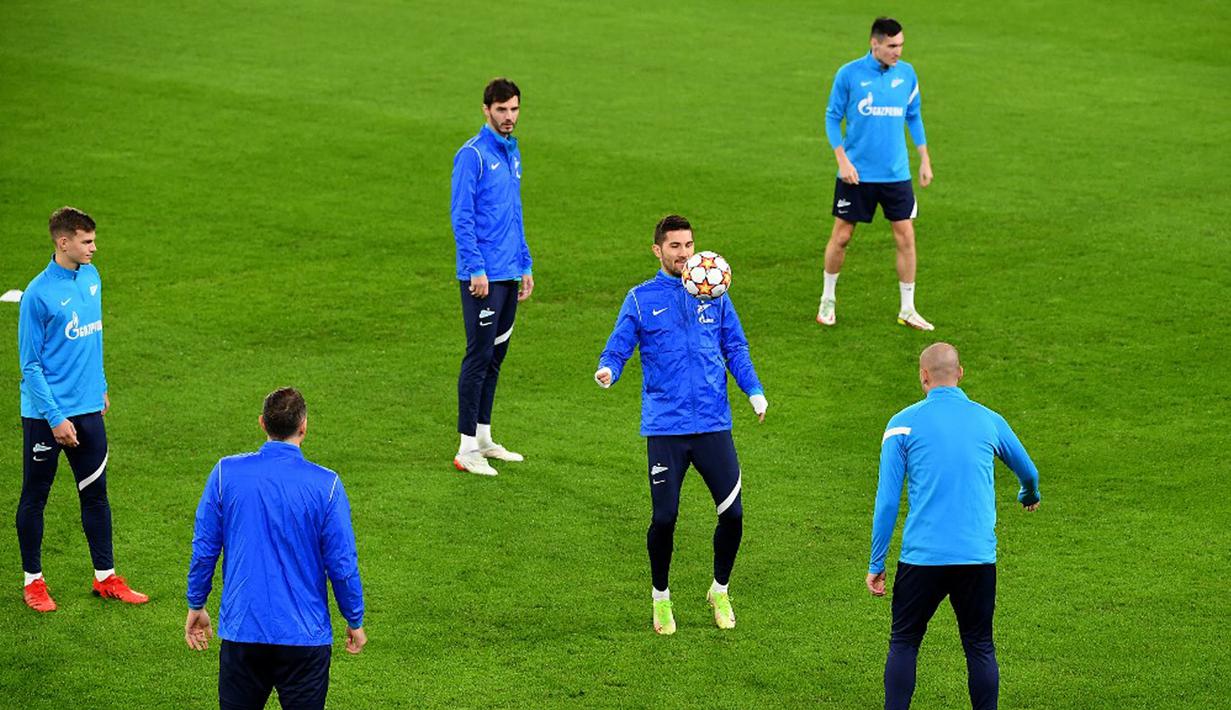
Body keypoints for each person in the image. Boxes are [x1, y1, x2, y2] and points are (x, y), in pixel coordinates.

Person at [594, 214, 767, 635]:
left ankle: (720, 589)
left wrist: (754, 390)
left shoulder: (716, 293)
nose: (684, 253)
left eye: (688, 245)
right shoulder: (640, 298)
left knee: (734, 514)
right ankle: (661, 598)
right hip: (666, 428)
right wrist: (608, 368)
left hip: (712, 424)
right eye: (675, 246)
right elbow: (620, 345)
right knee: (665, 518)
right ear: (658, 250)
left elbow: (735, 347)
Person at [866, 343, 1042, 710]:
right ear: (960, 374)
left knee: (904, 642)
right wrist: (1028, 494)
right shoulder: (989, 420)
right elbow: (1029, 472)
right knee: (979, 645)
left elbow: (886, 501)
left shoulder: (900, 425)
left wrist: (877, 563)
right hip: (976, 558)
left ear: (923, 377)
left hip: (922, 559)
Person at [185, 388, 366, 710]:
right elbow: (341, 564)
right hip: (304, 639)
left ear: (261, 423)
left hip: (243, 632)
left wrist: (196, 603)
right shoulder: (327, 485)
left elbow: (204, 548)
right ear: (304, 427)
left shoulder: (226, 473)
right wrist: (354, 619)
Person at [16, 206, 147, 612]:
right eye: (86, 241)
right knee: (35, 496)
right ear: (63, 242)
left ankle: (105, 577)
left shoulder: (91, 277)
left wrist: (101, 387)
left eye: (93, 240)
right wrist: (56, 418)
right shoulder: (38, 294)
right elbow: (30, 365)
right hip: (46, 414)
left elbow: (92, 341)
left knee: (96, 495)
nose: (94, 248)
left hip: (89, 409)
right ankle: (33, 582)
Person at [818, 17, 935, 331]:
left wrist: (924, 158)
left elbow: (914, 116)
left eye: (901, 45)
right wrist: (842, 160)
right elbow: (832, 119)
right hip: (857, 175)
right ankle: (827, 300)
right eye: (892, 46)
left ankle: (908, 309)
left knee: (906, 237)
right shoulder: (849, 74)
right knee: (841, 237)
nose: (898, 52)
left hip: (896, 174)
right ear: (875, 43)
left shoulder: (907, 74)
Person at [450, 77, 535, 477]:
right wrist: (476, 268)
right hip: (483, 275)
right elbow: (461, 215)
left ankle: (484, 437)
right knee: (479, 356)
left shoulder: (513, 153)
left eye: (514, 109)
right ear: (486, 110)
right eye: (502, 110)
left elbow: (513, 213)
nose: (509, 117)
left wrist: (525, 264)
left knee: (496, 357)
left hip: (508, 272)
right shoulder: (473, 155)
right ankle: (466, 447)